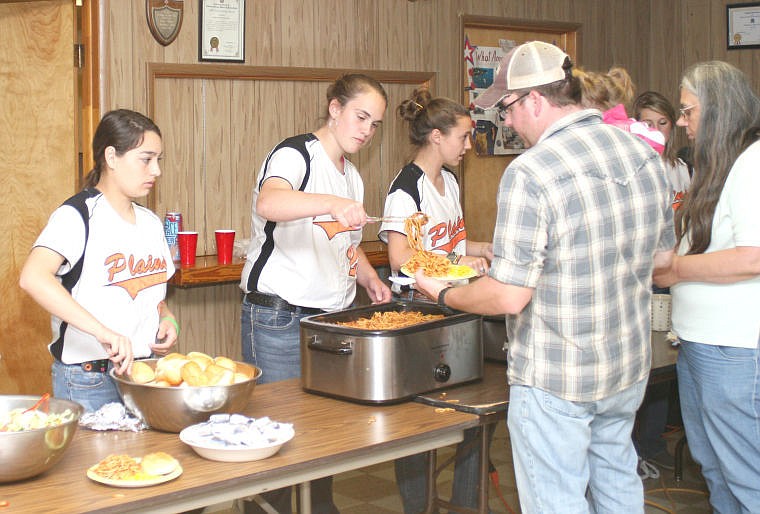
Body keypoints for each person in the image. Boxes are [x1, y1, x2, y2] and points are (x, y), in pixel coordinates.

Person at [414, 41, 674, 513]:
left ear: (535, 99)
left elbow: (510, 295)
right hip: (625, 366)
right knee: (617, 483)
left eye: (509, 108)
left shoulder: (532, 171)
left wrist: (449, 295)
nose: (507, 122)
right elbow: (662, 260)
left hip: (557, 377)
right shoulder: (643, 153)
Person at [239, 73, 393, 514]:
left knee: (322, 430)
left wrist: (367, 277)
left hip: (328, 319)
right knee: (274, 434)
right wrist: (329, 202)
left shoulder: (353, 177)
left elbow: (343, 244)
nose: (365, 129)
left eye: (375, 124)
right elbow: (270, 203)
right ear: (334, 108)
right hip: (278, 316)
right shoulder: (296, 154)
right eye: (360, 116)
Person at [378, 88, 493, 514]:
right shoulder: (406, 188)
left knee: (470, 412)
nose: (468, 146)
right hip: (417, 309)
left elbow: (452, 244)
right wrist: (461, 259)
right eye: (462, 137)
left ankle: (466, 503)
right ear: (436, 137)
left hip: (454, 302)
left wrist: (483, 249)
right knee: (418, 421)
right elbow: (402, 256)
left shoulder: (452, 182)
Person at [19, 109, 179, 412]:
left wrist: (167, 318)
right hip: (88, 378)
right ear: (111, 157)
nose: (156, 171)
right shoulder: (77, 215)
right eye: (146, 159)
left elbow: (151, 291)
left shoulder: (151, 223)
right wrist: (102, 332)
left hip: (142, 375)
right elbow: (33, 277)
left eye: (159, 160)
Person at [653, 61, 760, 514]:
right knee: (714, 467)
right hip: (701, 344)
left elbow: (752, 256)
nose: (681, 122)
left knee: (744, 473)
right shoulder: (721, 163)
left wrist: (676, 269)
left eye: (687, 111)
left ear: (717, 110)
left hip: (733, 349)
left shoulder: (753, 163)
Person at [629, 91, 691, 477]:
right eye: (646, 123)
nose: (654, 130)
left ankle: (653, 441)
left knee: (667, 363)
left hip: (677, 274)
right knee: (644, 365)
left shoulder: (683, 168)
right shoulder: (635, 167)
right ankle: (635, 447)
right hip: (644, 278)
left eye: (662, 123)